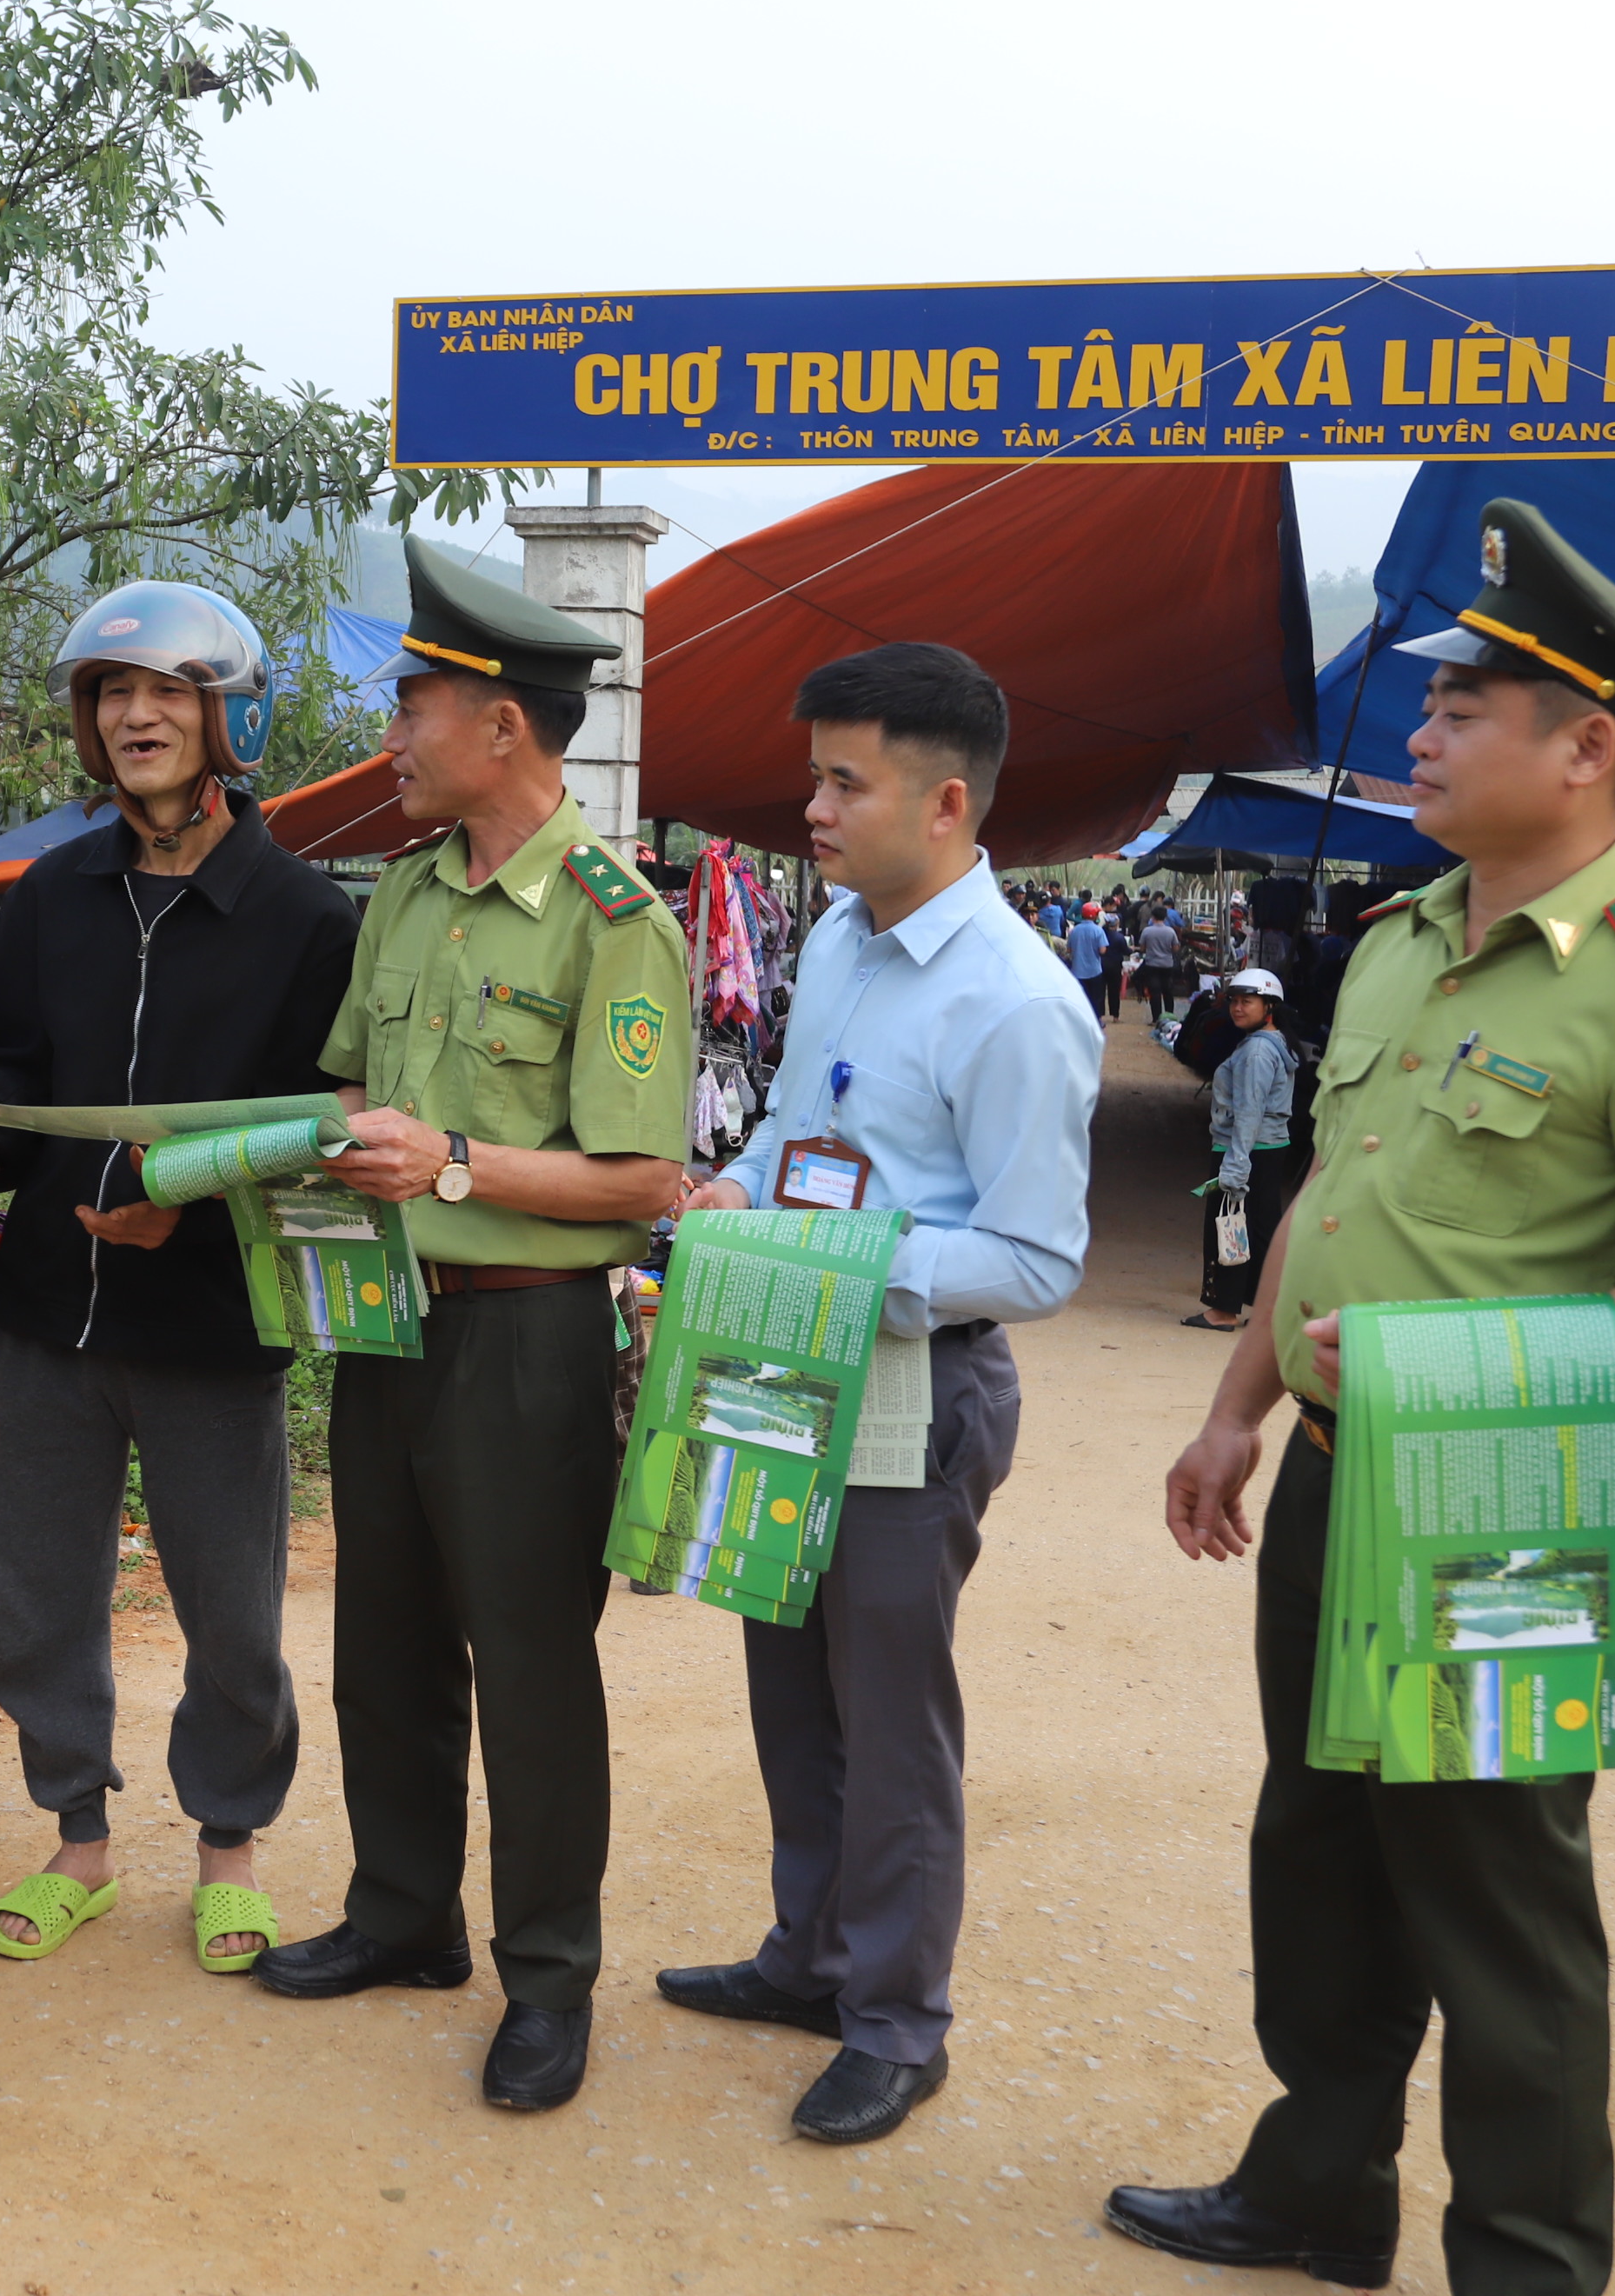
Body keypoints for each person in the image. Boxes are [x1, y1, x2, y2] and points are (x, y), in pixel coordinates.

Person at [1113, 499, 1615, 2295]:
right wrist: (1237, 1409)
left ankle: (1524, 2257)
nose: (1416, 735)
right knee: (1321, 1848)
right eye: (1425, 709)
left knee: (1497, 1905)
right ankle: (1317, 2190)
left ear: (1586, 748)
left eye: (1463, 710)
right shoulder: (1407, 941)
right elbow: (1330, 1209)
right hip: (1344, 1478)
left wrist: (1453, 1357)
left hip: (1509, 1502)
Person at [246, 538, 693, 2114]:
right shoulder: (409, 897)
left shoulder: (613, 918)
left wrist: (454, 1159)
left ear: (503, 721)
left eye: (414, 700)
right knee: (385, 1644)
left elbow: (645, 1171)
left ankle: (550, 1977)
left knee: (530, 1664)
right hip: (387, 1319)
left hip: (526, 1338)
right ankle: (402, 1913)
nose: (393, 731)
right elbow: (348, 1081)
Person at [655, 642, 1095, 2146]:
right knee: (792, 1681)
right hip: (792, 1354)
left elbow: (1036, 1258)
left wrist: (847, 1260)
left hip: (914, 1384)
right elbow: (792, 1122)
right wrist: (740, 1192)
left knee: (892, 1719)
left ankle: (900, 2021)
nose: (815, 808)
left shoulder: (1019, 1003)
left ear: (948, 801)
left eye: (846, 781)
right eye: (818, 775)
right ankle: (810, 1956)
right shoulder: (840, 937)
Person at [0, 582, 360, 1973]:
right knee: (35, 1600)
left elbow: (318, 1123)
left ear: (226, 717)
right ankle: (77, 1839)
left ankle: (230, 1850)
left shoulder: (303, 915)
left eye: (166, 692)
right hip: (47, 1323)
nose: (134, 715)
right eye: (111, 693)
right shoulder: (54, 892)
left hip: (208, 1325)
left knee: (232, 1611)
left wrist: (185, 1213)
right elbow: (11, 1085)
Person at [1187, 969, 1296, 1333]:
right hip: (1268, 1148)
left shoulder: (1257, 1052)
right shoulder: (1271, 1042)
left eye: (1246, 1001)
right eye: (1233, 1000)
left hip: (1244, 1150)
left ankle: (1222, 1310)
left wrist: (1235, 1165)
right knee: (1261, 1229)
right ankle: (1271, 1310)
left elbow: (1249, 1111)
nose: (1236, 1008)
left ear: (1269, 1007)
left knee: (1228, 1228)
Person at [1138, 907, 1188, 1028]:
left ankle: (1156, 1019)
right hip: (1167, 964)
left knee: (1154, 992)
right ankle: (1170, 1016)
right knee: (1168, 991)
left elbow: (1142, 948)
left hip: (1152, 964)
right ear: (1165, 917)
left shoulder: (1147, 931)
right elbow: (1176, 948)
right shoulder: (1170, 931)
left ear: (1153, 917)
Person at [1065, 902, 1113, 1024]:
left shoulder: (1074, 930)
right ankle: (1096, 1020)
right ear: (1094, 916)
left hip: (1078, 970)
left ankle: (1081, 1020)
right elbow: (1102, 950)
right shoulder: (1098, 931)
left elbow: (1069, 949)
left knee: (1081, 997)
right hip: (1094, 971)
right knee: (1096, 998)